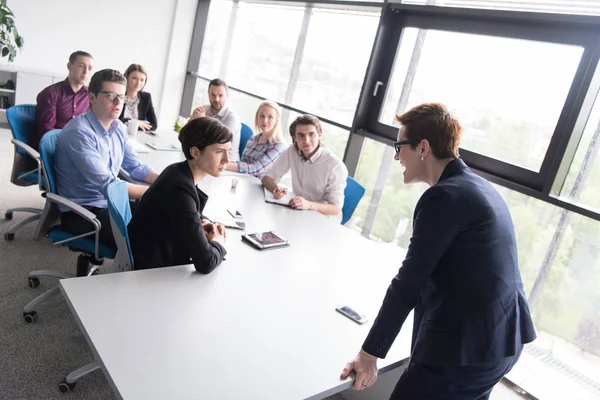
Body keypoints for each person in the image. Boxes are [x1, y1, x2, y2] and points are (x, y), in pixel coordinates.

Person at [340, 103, 536, 399]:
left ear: (423, 147)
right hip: (502, 342)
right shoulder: (480, 188)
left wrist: (369, 354)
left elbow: (408, 284)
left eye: (399, 146)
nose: (396, 156)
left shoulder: (443, 197)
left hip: (465, 353)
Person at [54, 69, 158, 256]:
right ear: (92, 97)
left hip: (110, 204)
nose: (118, 103)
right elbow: (109, 186)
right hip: (83, 212)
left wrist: (167, 182)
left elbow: (135, 167)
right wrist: (157, 191)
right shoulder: (79, 133)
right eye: (110, 96)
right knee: (152, 238)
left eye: (121, 96)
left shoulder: (117, 128)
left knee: (169, 215)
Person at [128, 117, 231, 273]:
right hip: (152, 272)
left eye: (228, 151)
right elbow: (206, 262)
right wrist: (219, 242)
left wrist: (202, 222)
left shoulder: (177, 171)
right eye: (219, 151)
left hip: (154, 255)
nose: (227, 160)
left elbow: (185, 214)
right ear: (195, 152)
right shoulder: (179, 188)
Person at [261, 114, 347, 217]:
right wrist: (275, 189)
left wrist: (308, 205)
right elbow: (267, 176)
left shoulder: (334, 165)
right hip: (298, 213)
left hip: (322, 219)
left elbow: (336, 208)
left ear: (319, 134)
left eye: (311, 134)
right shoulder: (292, 151)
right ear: (294, 138)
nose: (306, 140)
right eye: (301, 135)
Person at [33, 50, 94, 150]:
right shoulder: (51, 94)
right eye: (81, 66)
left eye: (90, 68)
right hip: (52, 147)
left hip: (76, 146)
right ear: (69, 66)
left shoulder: (90, 96)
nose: (86, 71)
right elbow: (47, 132)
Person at [225, 100, 285, 177]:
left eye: (270, 117)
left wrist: (225, 165)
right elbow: (243, 162)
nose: (265, 120)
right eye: (262, 116)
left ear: (276, 121)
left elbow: (256, 169)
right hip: (242, 179)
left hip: (259, 185)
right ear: (257, 118)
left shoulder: (278, 146)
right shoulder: (253, 139)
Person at [189, 78, 241, 162]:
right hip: (205, 157)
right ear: (208, 94)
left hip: (226, 162)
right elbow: (186, 135)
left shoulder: (232, 118)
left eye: (220, 95)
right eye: (213, 95)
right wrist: (192, 121)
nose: (216, 99)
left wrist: (201, 122)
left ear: (227, 95)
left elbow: (217, 143)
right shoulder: (203, 109)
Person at [118, 64, 157, 131]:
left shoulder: (146, 97)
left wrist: (132, 125)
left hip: (136, 135)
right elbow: (113, 121)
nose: (138, 83)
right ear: (127, 78)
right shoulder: (118, 94)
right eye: (134, 78)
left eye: (142, 80)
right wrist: (135, 122)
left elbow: (153, 125)